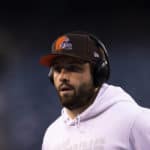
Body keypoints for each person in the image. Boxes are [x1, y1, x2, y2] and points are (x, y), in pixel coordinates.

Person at [40, 31, 150, 150]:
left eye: (73, 68)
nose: (63, 77)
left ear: (98, 74)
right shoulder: (52, 135)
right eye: (57, 69)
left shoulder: (135, 120)